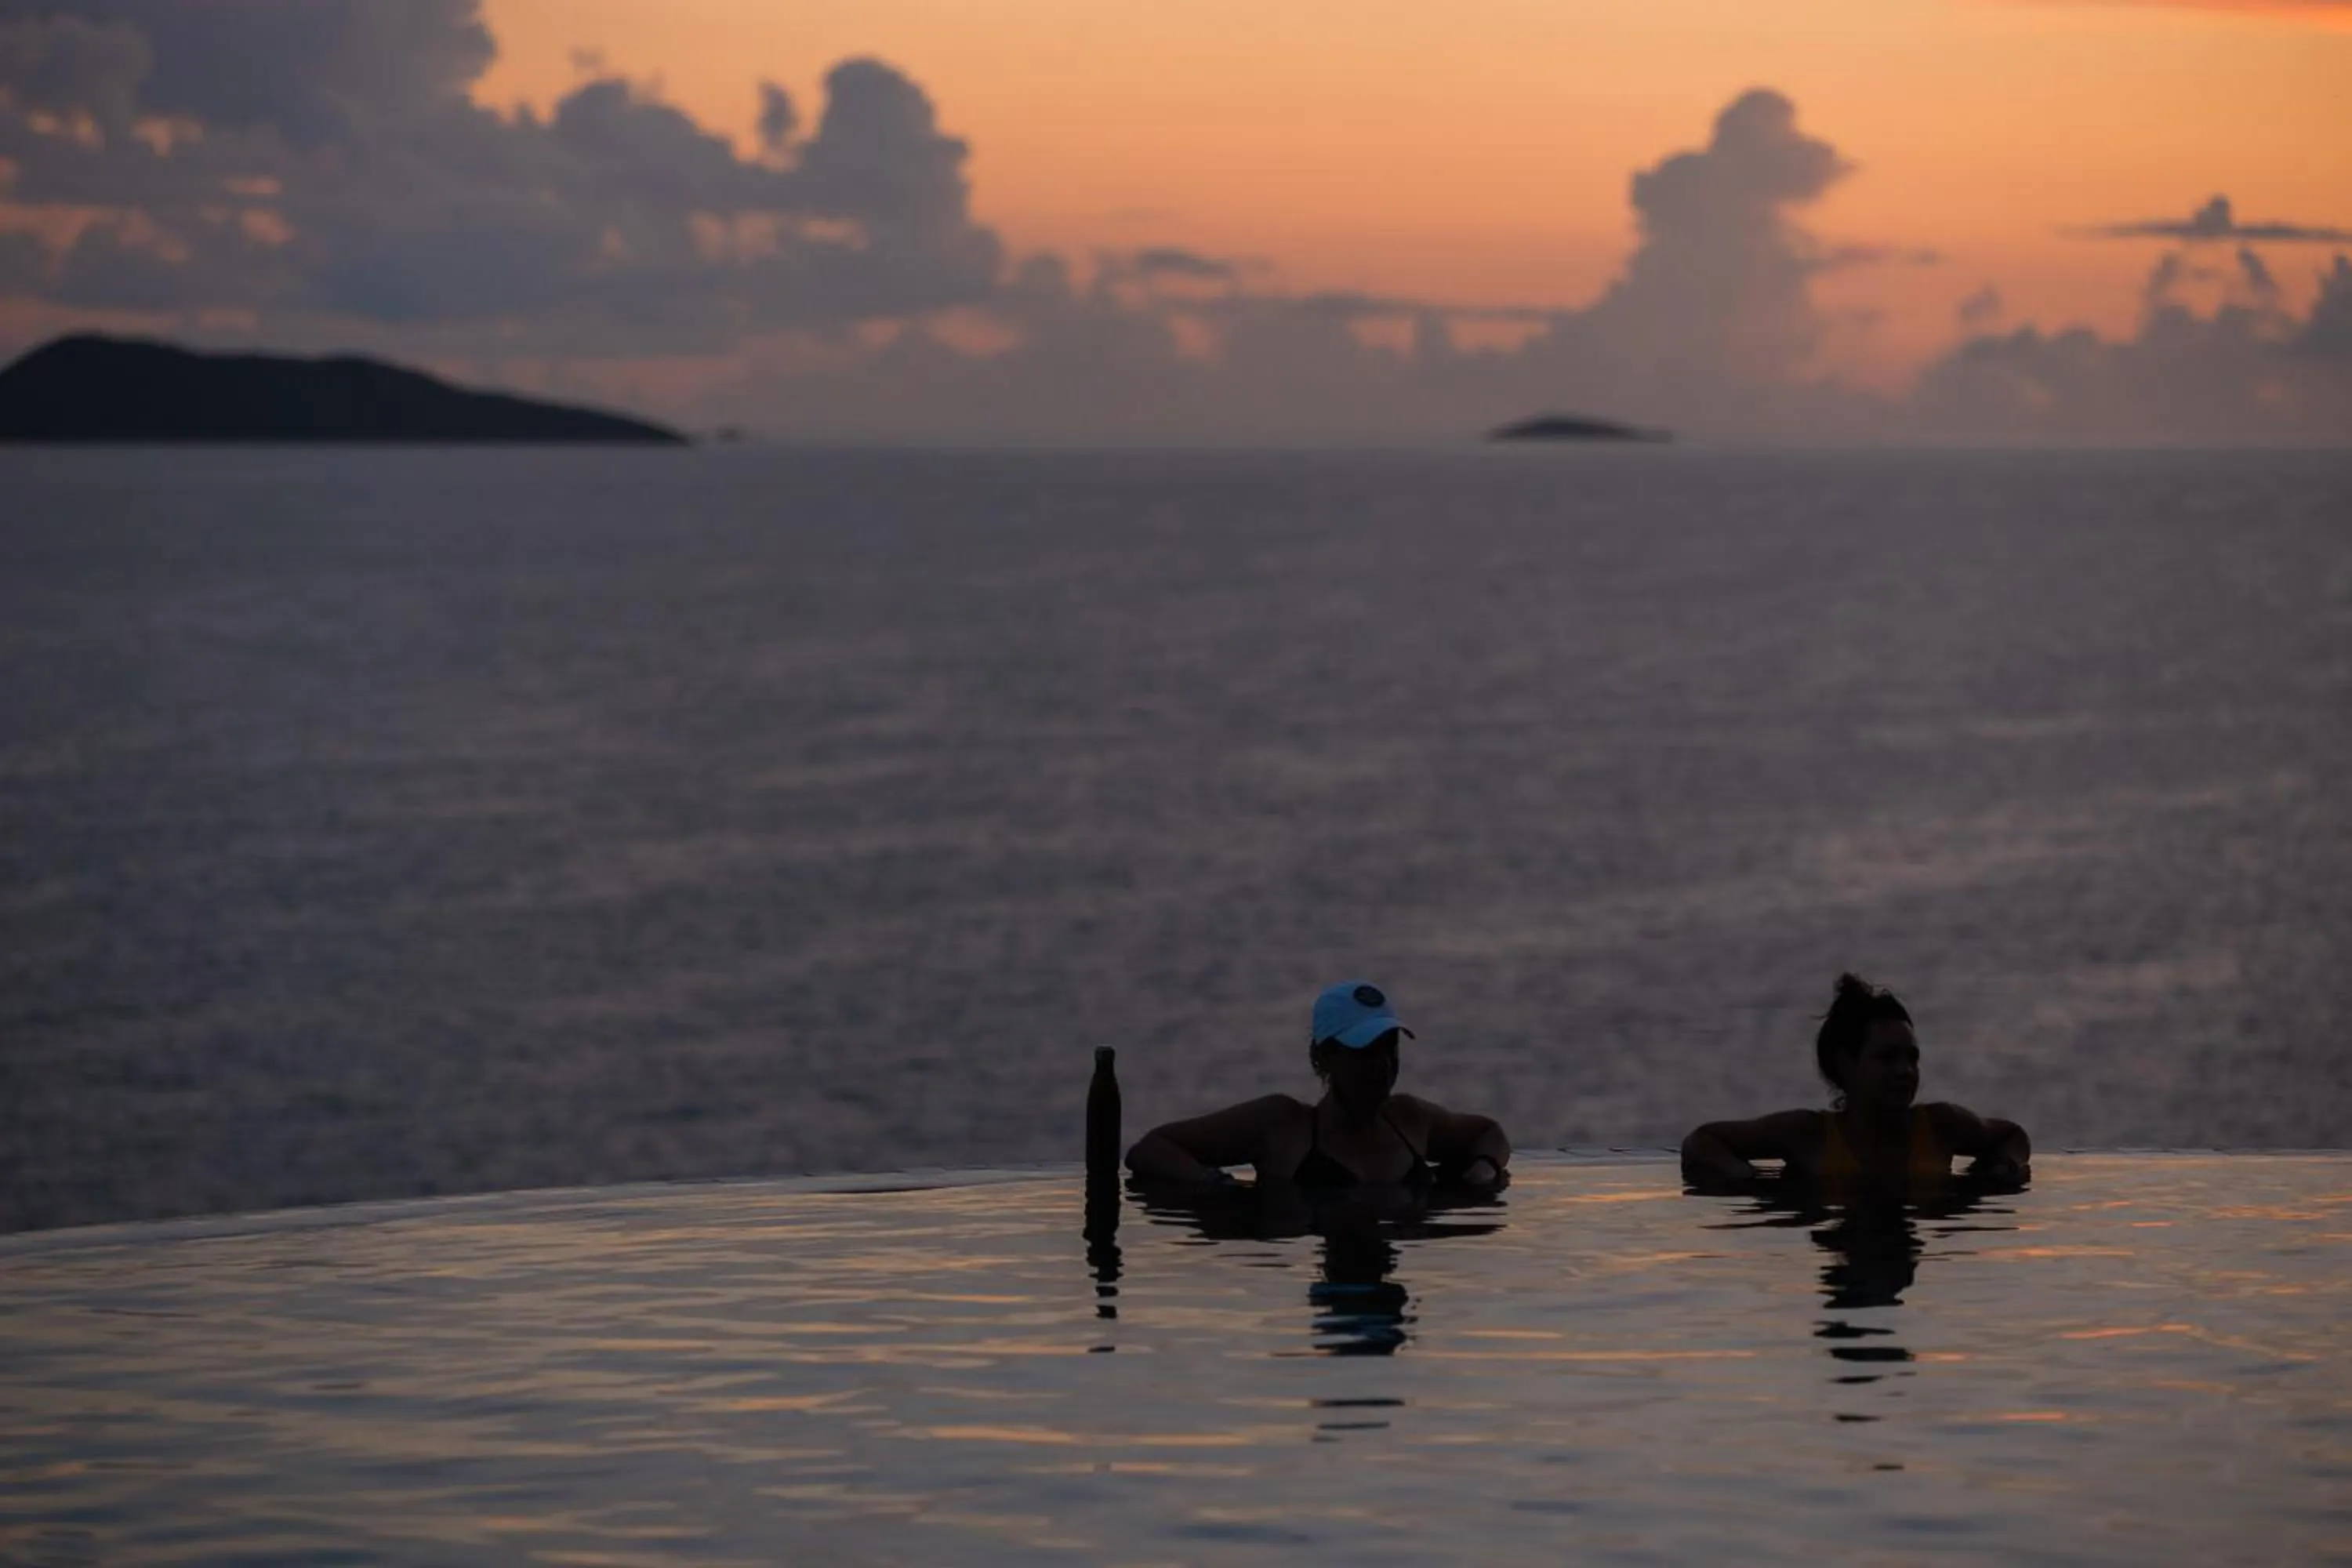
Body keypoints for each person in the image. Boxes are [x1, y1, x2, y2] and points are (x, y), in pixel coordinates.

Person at [1125, 981, 1512, 1191]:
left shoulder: (1410, 1119)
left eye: (1389, 1048)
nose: (1383, 1065)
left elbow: (1490, 1133)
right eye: (1364, 1050)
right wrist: (1216, 1186)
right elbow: (1151, 1150)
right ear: (1324, 1057)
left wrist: (1483, 1170)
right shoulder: (1282, 1125)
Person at [1680, 973, 2031, 1189]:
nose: (1905, 1071)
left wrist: (2002, 1168)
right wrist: (1746, 1180)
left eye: (1912, 1058)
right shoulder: (1808, 1134)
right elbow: (1702, 1141)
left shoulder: (1941, 1126)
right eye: (1887, 1058)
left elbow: (2014, 1136)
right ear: (1846, 1065)